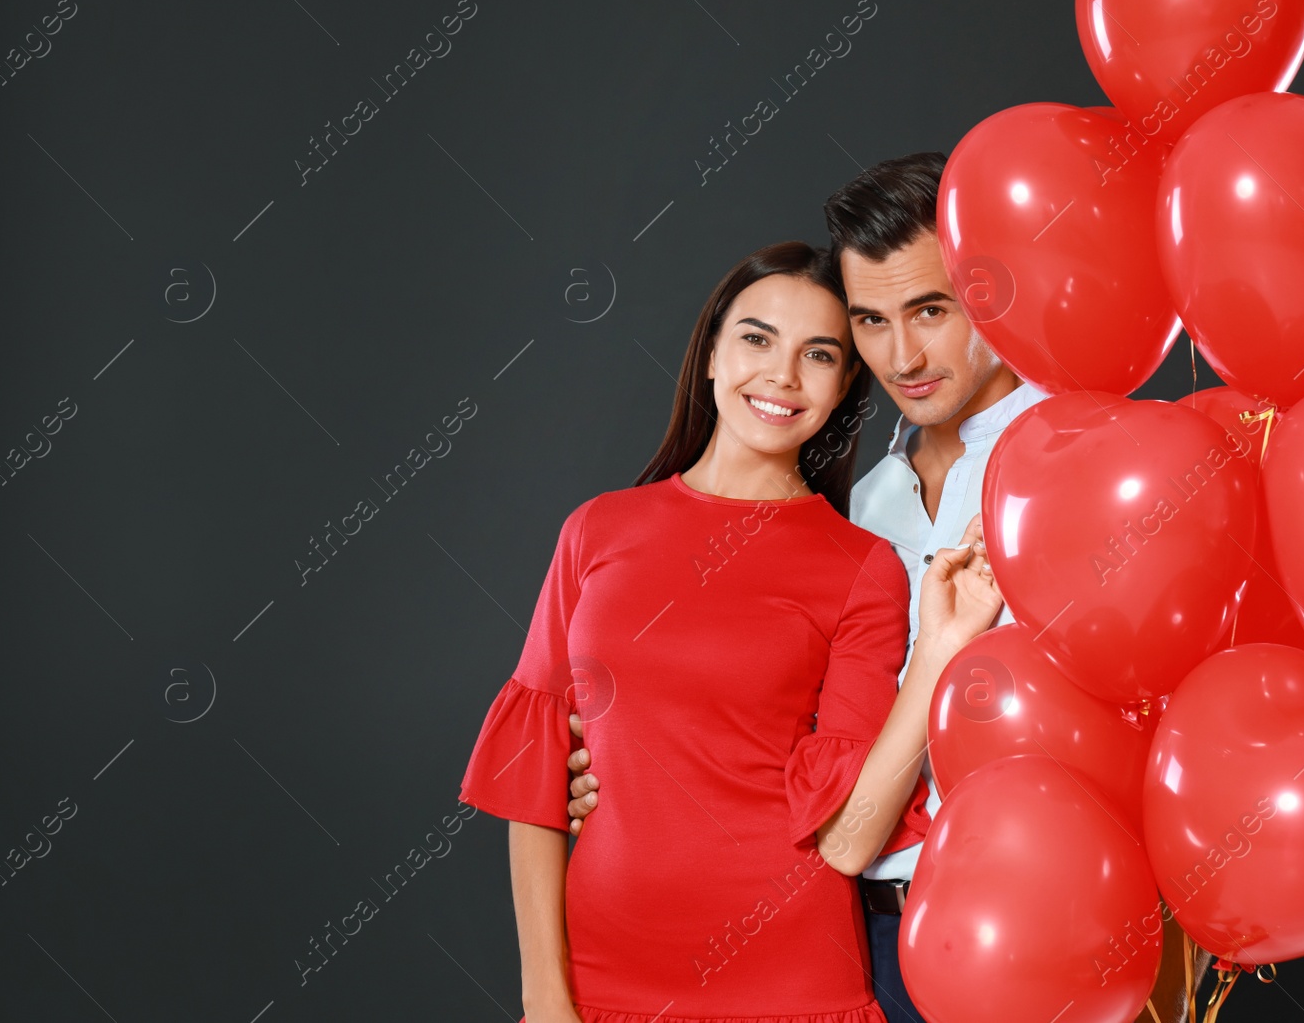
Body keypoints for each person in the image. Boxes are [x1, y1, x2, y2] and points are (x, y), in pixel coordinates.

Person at [565, 158, 1212, 1023]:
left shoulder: (1094, 466)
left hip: (1050, 938)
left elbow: (1174, 718)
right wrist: (616, 757)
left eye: (931, 311)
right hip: (868, 939)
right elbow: (787, 719)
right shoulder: (865, 509)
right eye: (870, 321)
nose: (902, 355)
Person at [457, 239, 1004, 1023]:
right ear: (711, 351)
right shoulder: (596, 530)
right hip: (603, 972)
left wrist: (946, 648)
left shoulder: (863, 565)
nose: (781, 375)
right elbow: (535, 780)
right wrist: (545, 993)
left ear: (845, 384)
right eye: (756, 338)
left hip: (790, 976)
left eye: (818, 354)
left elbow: (852, 821)